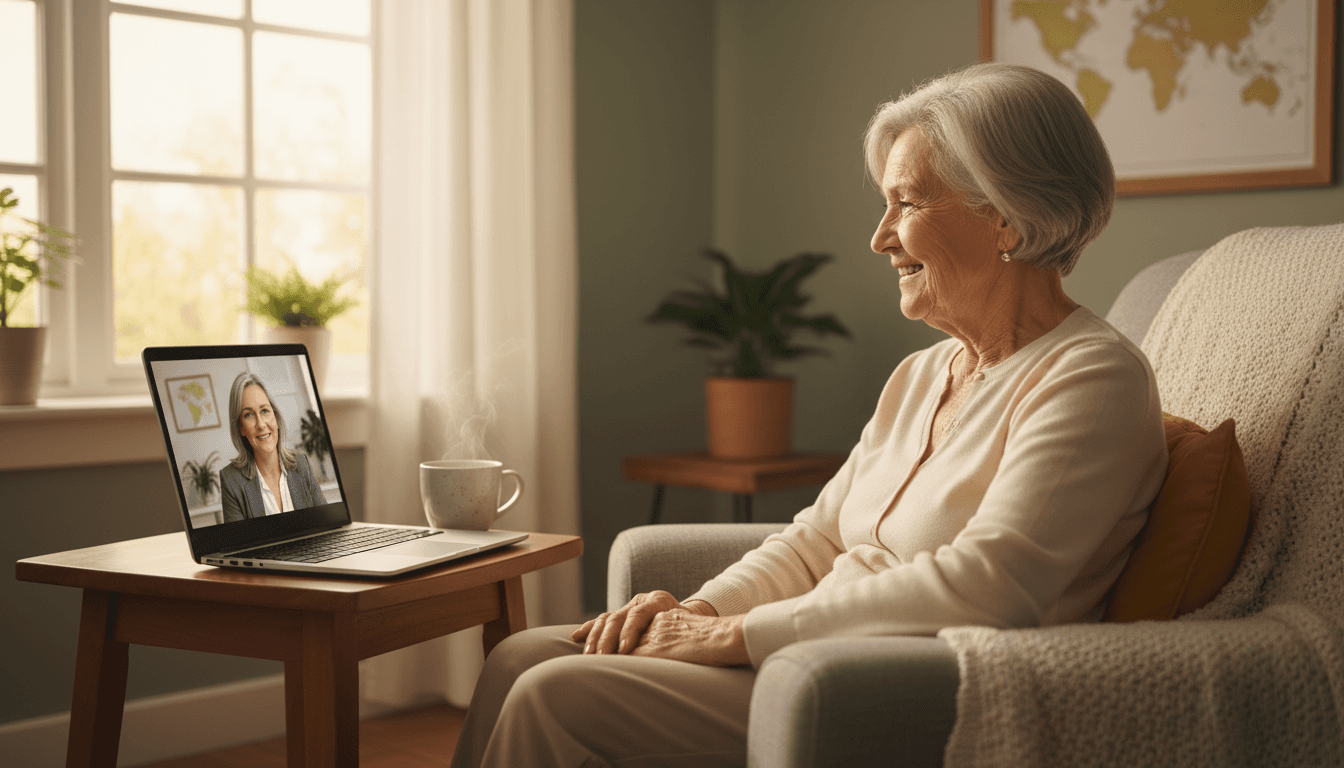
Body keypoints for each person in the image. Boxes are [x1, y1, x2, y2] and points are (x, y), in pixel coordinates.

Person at [450, 62, 1168, 767]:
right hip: (807, 652)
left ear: (1006, 219)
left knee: (556, 696)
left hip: (906, 683)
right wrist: (700, 613)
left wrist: (741, 635)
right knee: (519, 655)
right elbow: (814, 541)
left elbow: (994, 584)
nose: (879, 237)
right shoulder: (921, 375)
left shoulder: (1092, 378)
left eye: (908, 203)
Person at [219, 371, 326, 523]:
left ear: (275, 417)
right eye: (248, 415)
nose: (261, 424)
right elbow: (239, 544)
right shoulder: (231, 480)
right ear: (240, 428)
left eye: (264, 411)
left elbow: (326, 525)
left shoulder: (302, 465)